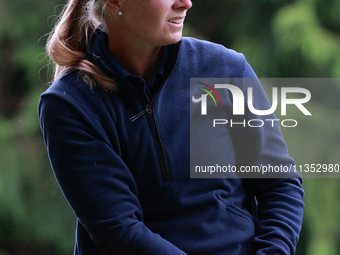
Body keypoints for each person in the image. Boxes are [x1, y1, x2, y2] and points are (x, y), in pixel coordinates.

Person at [38, 0, 304, 254]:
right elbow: (119, 231)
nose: (186, 3)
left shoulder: (224, 69)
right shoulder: (68, 104)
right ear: (114, 2)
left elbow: (280, 184)